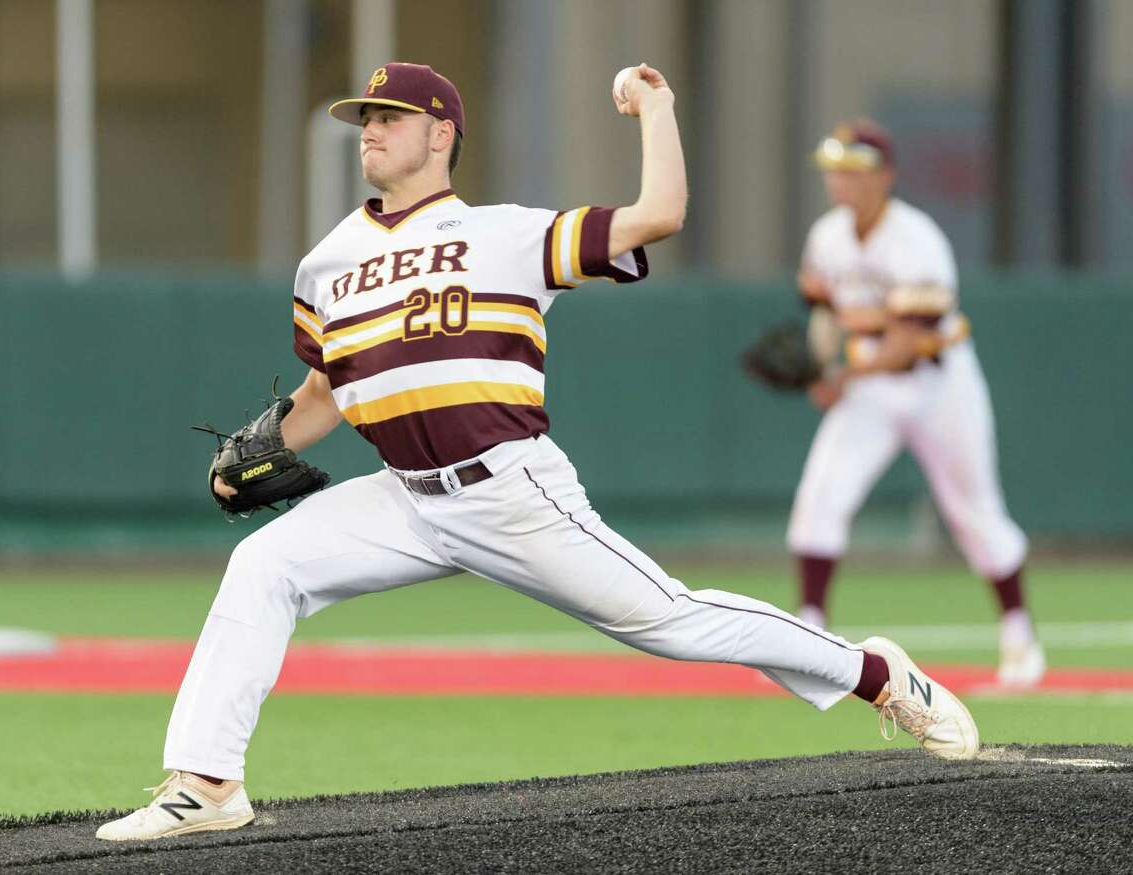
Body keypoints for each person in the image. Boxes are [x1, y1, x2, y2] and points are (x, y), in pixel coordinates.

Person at [97, 65, 978, 842]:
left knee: (670, 621)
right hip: (404, 497)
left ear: (441, 134)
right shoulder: (327, 263)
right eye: (363, 116)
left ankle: (876, 673)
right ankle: (206, 782)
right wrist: (256, 445)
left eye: (388, 116)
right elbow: (324, 396)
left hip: (510, 489)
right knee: (264, 563)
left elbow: (658, 215)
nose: (368, 129)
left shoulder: (508, 233)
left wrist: (656, 110)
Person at [788, 119, 1045, 688]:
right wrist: (824, 365)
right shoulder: (826, 237)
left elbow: (907, 345)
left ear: (885, 176)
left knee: (974, 512)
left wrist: (841, 376)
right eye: (834, 170)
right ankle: (807, 636)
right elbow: (824, 313)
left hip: (939, 385)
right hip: (870, 387)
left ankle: (1019, 635)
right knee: (820, 496)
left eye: (852, 170)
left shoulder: (917, 238)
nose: (840, 182)